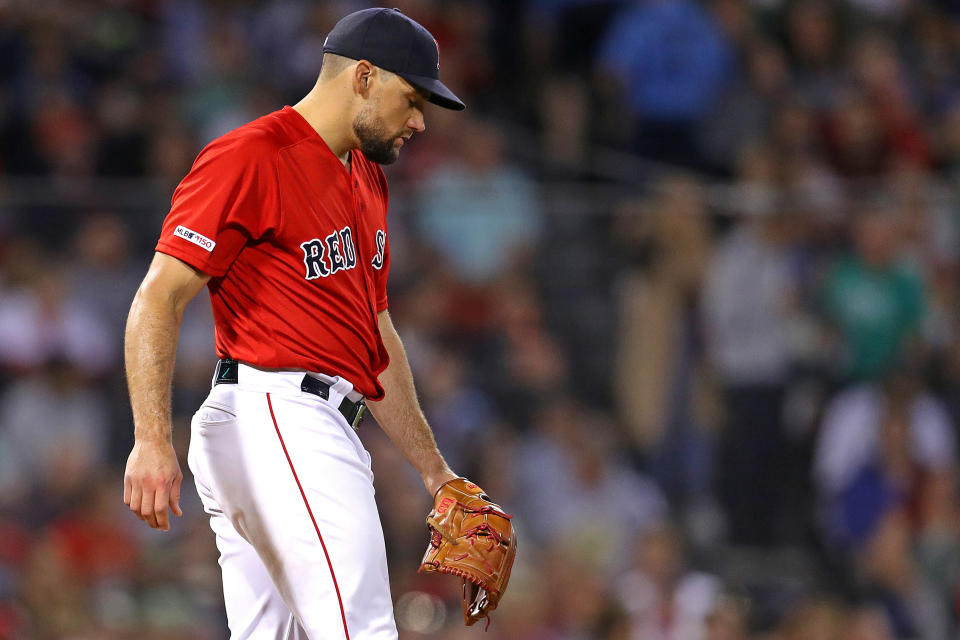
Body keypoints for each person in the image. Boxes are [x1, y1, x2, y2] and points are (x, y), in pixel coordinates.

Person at [121, 8, 465, 639]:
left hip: (309, 423)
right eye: (412, 99)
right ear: (363, 77)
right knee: (361, 631)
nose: (419, 121)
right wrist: (150, 439)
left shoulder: (366, 177)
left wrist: (432, 469)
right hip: (277, 415)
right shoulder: (251, 156)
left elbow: (374, 335)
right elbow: (158, 299)